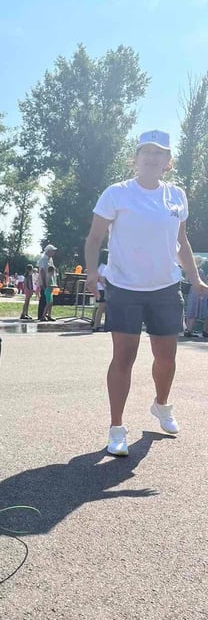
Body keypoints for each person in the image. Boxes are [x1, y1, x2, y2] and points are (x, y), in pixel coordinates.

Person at [85, 130, 208, 456]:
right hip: (124, 286)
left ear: (168, 162)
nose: (152, 159)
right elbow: (95, 237)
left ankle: (161, 405)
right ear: (136, 158)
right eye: (146, 153)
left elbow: (182, 243)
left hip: (165, 287)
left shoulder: (176, 196)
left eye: (160, 154)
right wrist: (91, 270)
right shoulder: (117, 194)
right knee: (124, 357)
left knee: (166, 357)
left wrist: (195, 278)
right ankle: (116, 429)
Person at [183, 258, 208, 337]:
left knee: (190, 311)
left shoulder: (189, 271)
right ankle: (190, 330)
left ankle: (188, 330)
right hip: (198, 292)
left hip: (191, 292)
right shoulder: (200, 272)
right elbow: (204, 283)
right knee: (195, 312)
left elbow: (186, 280)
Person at [37, 244, 57, 320]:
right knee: (44, 299)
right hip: (45, 282)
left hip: (50, 283)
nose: (54, 253)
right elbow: (42, 271)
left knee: (49, 300)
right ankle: (41, 315)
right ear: (48, 251)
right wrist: (43, 282)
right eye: (52, 251)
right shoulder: (43, 259)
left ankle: (47, 315)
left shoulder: (50, 259)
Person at [91, 249, 108, 332]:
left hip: (98, 288)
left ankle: (94, 321)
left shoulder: (99, 266)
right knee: (102, 308)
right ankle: (96, 325)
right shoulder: (104, 267)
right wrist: (106, 287)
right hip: (102, 289)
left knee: (97, 307)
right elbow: (102, 279)